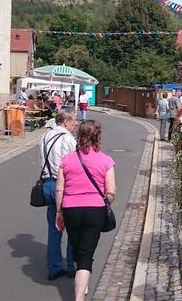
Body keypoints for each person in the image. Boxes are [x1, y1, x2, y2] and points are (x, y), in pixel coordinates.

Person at [55, 120, 116, 301]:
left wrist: (59, 213)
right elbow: (111, 192)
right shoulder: (106, 160)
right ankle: (79, 296)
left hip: (71, 209)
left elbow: (59, 189)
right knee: (86, 254)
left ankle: (82, 282)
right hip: (94, 210)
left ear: (79, 136)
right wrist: (106, 201)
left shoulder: (67, 160)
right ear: (98, 136)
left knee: (77, 247)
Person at [38, 108, 78, 280]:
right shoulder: (68, 139)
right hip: (64, 185)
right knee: (72, 227)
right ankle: (71, 266)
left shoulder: (45, 137)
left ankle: (54, 267)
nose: (76, 124)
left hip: (47, 184)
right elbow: (75, 163)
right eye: (74, 120)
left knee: (54, 228)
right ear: (66, 121)